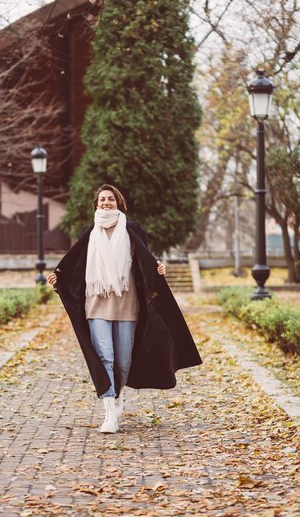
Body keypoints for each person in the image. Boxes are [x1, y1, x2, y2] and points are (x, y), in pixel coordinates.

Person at [48, 184, 202, 434]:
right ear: (96, 205)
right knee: (105, 356)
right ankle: (109, 410)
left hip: (127, 304)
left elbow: (145, 261)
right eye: (102, 200)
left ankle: (118, 395)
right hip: (96, 304)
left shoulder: (133, 231)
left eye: (110, 199)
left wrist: (158, 270)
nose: (106, 203)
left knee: (123, 361)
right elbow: (74, 270)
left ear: (119, 203)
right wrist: (59, 282)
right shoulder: (89, 234)